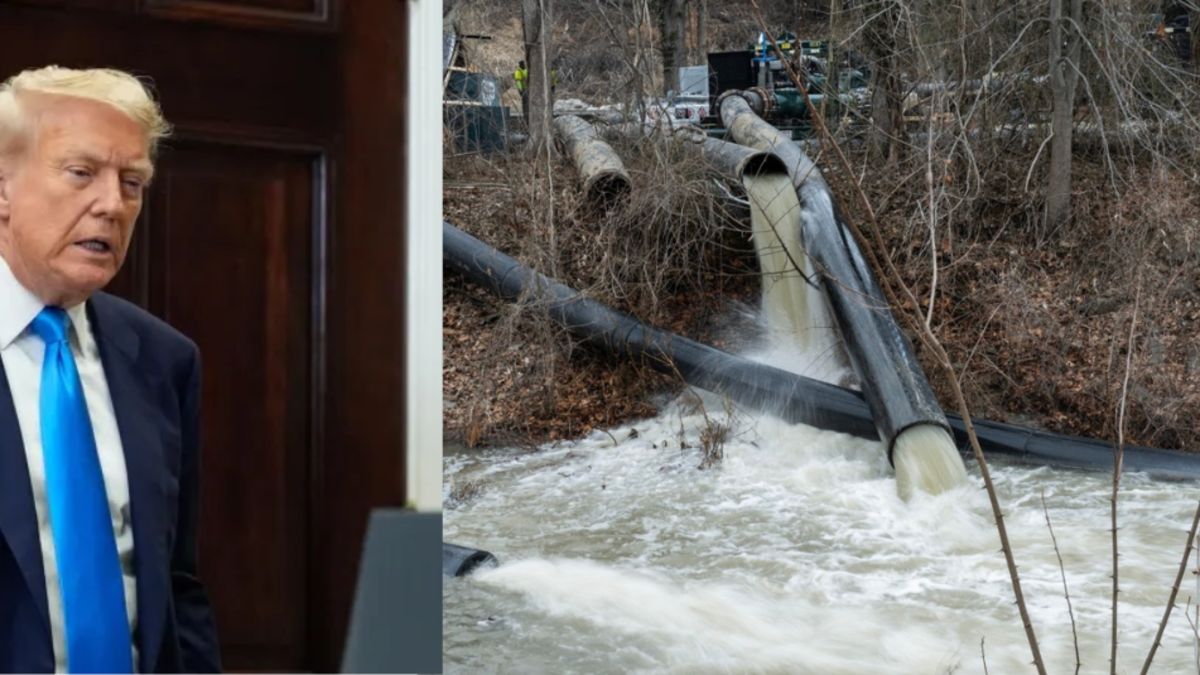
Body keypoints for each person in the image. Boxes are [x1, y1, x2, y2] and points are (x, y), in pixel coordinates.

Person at [0, 66, 221, 673]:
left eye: (132, 182)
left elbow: (178, 587)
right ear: (2, 188)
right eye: (81, 174)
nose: (111, 204)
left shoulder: (165, 360)